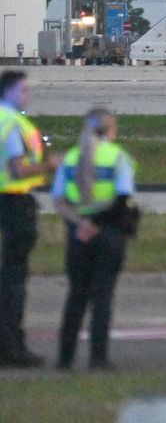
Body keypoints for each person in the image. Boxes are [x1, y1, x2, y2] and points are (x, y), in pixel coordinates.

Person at [52, 109, 137, 371]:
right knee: (103, 297)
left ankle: (65, 358)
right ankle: (98, 358)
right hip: (109, 233)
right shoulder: (117, 157)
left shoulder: (70, 159)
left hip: (78, 234)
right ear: (111, 130)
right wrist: (97, 224)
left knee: (76, 295)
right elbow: (122, 199)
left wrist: (81, 223)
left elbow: (59, 200)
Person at [0, 70, 60, 367]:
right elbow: (17, 169)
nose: (28, 95)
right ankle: (11, 347)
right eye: (23, 90)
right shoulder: (12, 124)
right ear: (8, 92)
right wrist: (49, 164)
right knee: (13, 278)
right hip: (13, 202)